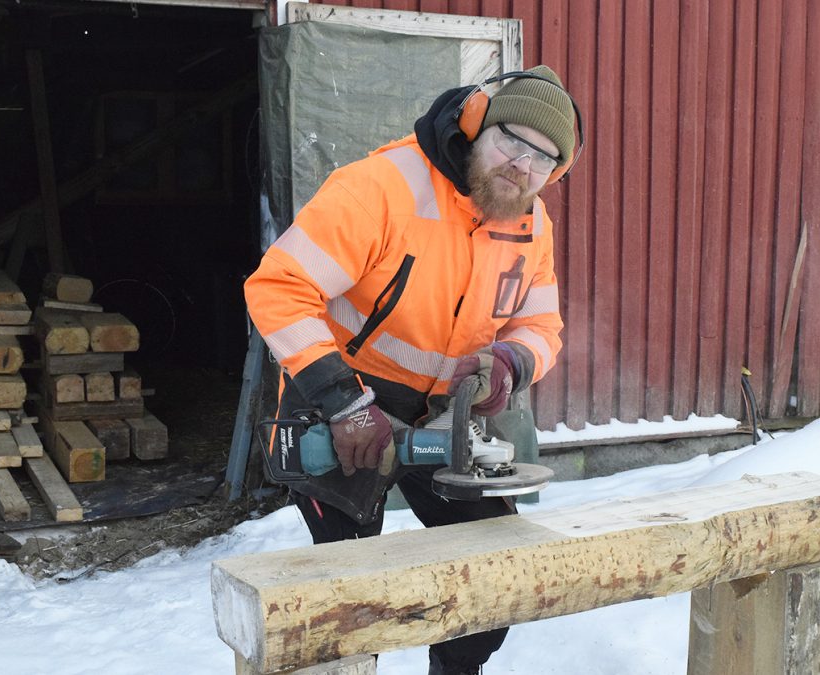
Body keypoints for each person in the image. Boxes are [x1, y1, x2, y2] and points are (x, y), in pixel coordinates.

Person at [244, 65, 579, 675]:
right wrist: (345, 404)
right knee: (347, 597)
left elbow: (543, 327)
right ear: (477, 124)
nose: (522, 166)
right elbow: (278, 287)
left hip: (443, 418)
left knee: (492, 572)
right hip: (339, 399)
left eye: (544, 161)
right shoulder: (381, 187)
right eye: (512, 141)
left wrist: (510, 362)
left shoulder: (532, 223)